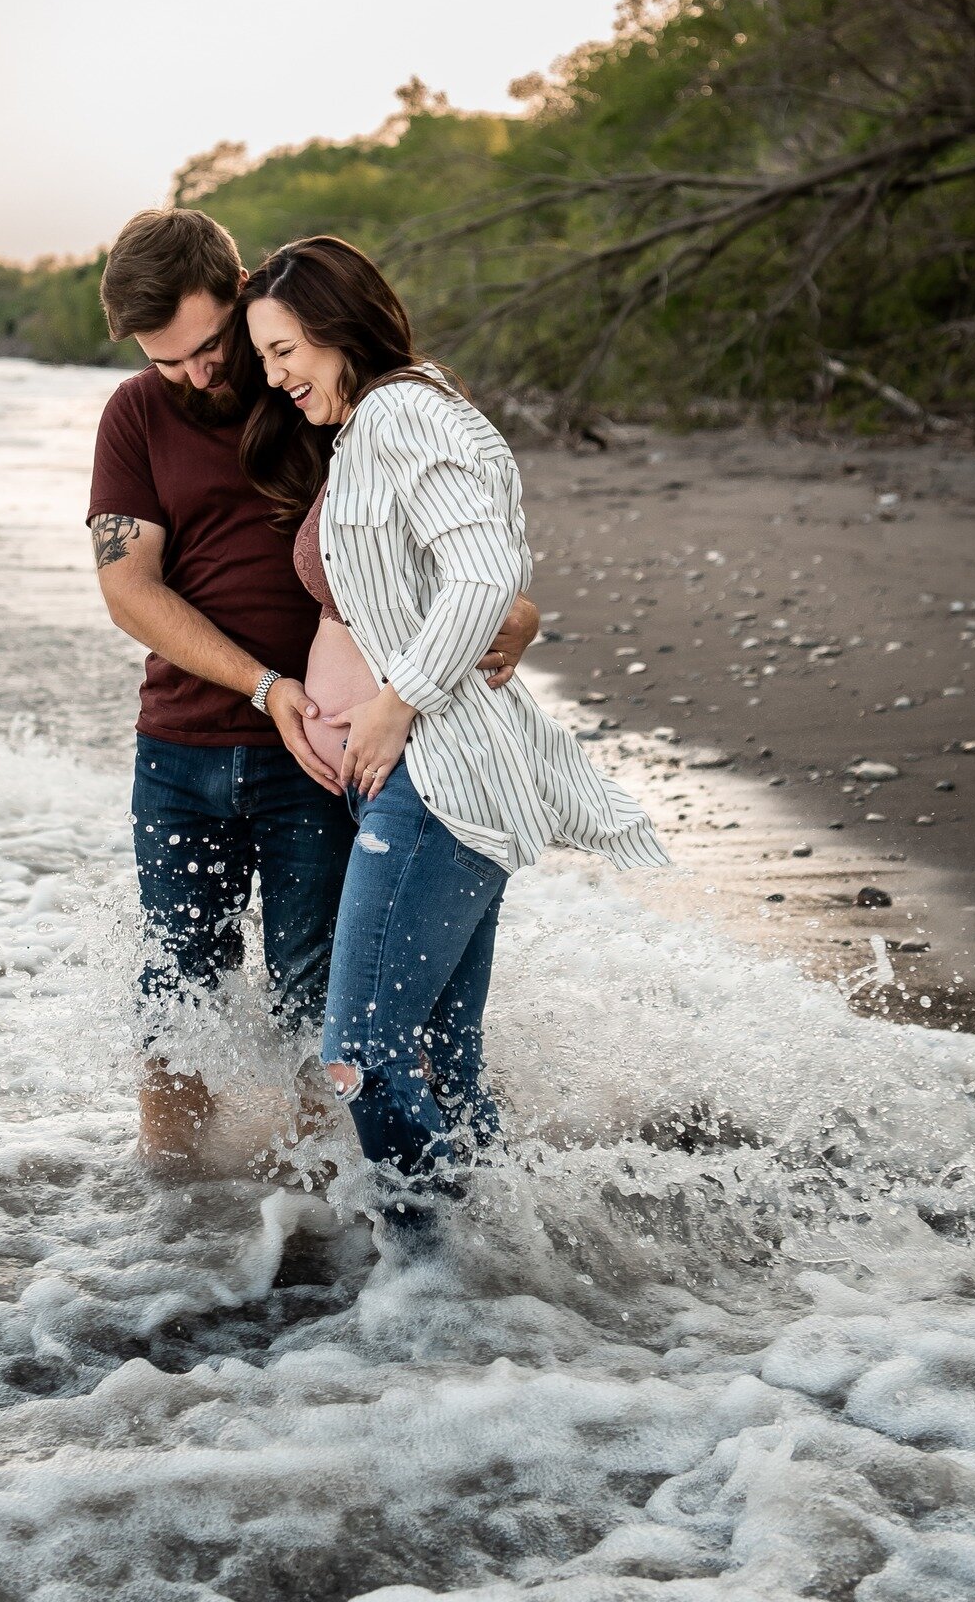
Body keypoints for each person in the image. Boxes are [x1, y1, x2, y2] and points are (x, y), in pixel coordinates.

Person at [85, 208, 541, 1169]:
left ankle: (310, 1221)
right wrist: (263, 686)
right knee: (175, 996)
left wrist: (519, 611)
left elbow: (450, 532)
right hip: (180, 751)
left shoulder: (317, 394)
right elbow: (128, 587)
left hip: (326, 759)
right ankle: (176, 1224)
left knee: (314, 1000)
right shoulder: (136, 412)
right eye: (167, 360)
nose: (197, 375)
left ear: (241, 294)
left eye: (210, 347)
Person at [234, 235, 669, 1223]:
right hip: (431, 776)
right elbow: (478, 581)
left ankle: (433, 1270)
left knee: (358, 1058)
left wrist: (394, 702)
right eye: (262, 357)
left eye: (286, 349)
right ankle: (500, 1264)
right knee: (441, 1056)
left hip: (435, 778)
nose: (275, 375)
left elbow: (480, 578)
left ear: (338, 328)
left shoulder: (398, 416)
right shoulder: (391, 419)